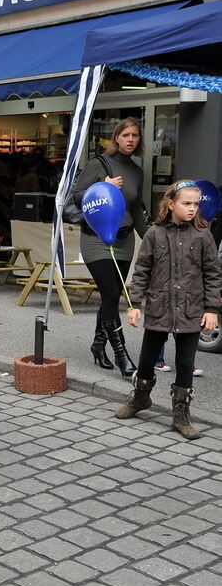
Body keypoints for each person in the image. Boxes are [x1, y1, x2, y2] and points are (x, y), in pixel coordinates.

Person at [115, 180, 221, 440]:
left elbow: (213, 273)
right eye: (186, 203)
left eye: (196, 204)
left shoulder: (203, 234)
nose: (192, 208)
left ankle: (181, 414)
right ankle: (140, 398)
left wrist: (211, 309)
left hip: (190, 310)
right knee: (147, 360)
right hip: (160, 309)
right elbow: (142, 271)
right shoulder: (154, 233)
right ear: (171, 203)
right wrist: (134, 304)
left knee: (186, 363)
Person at [69, 117, 149, 377]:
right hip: (95, 238)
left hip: (125, 240)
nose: (130, 139)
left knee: (109, 297)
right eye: (125, 135)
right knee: (112, 293)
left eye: (135, 135)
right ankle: (121, 353)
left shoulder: (137, 171)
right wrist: (101, 185)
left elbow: (135, 209)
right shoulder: (98, 163)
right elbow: (78, 196)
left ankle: (98, 343)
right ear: (116, 137)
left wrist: (150, 240)